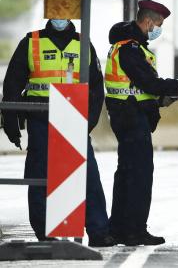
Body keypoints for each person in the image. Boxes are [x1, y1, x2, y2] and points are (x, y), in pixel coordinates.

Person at [1, 18, 115, 247]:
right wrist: (12, 123)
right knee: (40, 173)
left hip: (73, 117)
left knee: (87, 174)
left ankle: (99, 231)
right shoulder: (32, 42)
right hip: (40, 117)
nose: (59, 16)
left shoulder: (83, 43)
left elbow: (95, 88)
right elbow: (12, 84)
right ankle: (46, 232)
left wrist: (87, 123)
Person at [105, 0, 178, 246]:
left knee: (126, 173)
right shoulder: (130, 49)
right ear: (148, 21)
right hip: (130, 117)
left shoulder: (128, 46)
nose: (159, 28)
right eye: (158, 23)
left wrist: (159, 101)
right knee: (139, 175)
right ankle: (134, 231)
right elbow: (149, 83)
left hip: (128, 114)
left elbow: (135, 88)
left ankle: (119, 228)